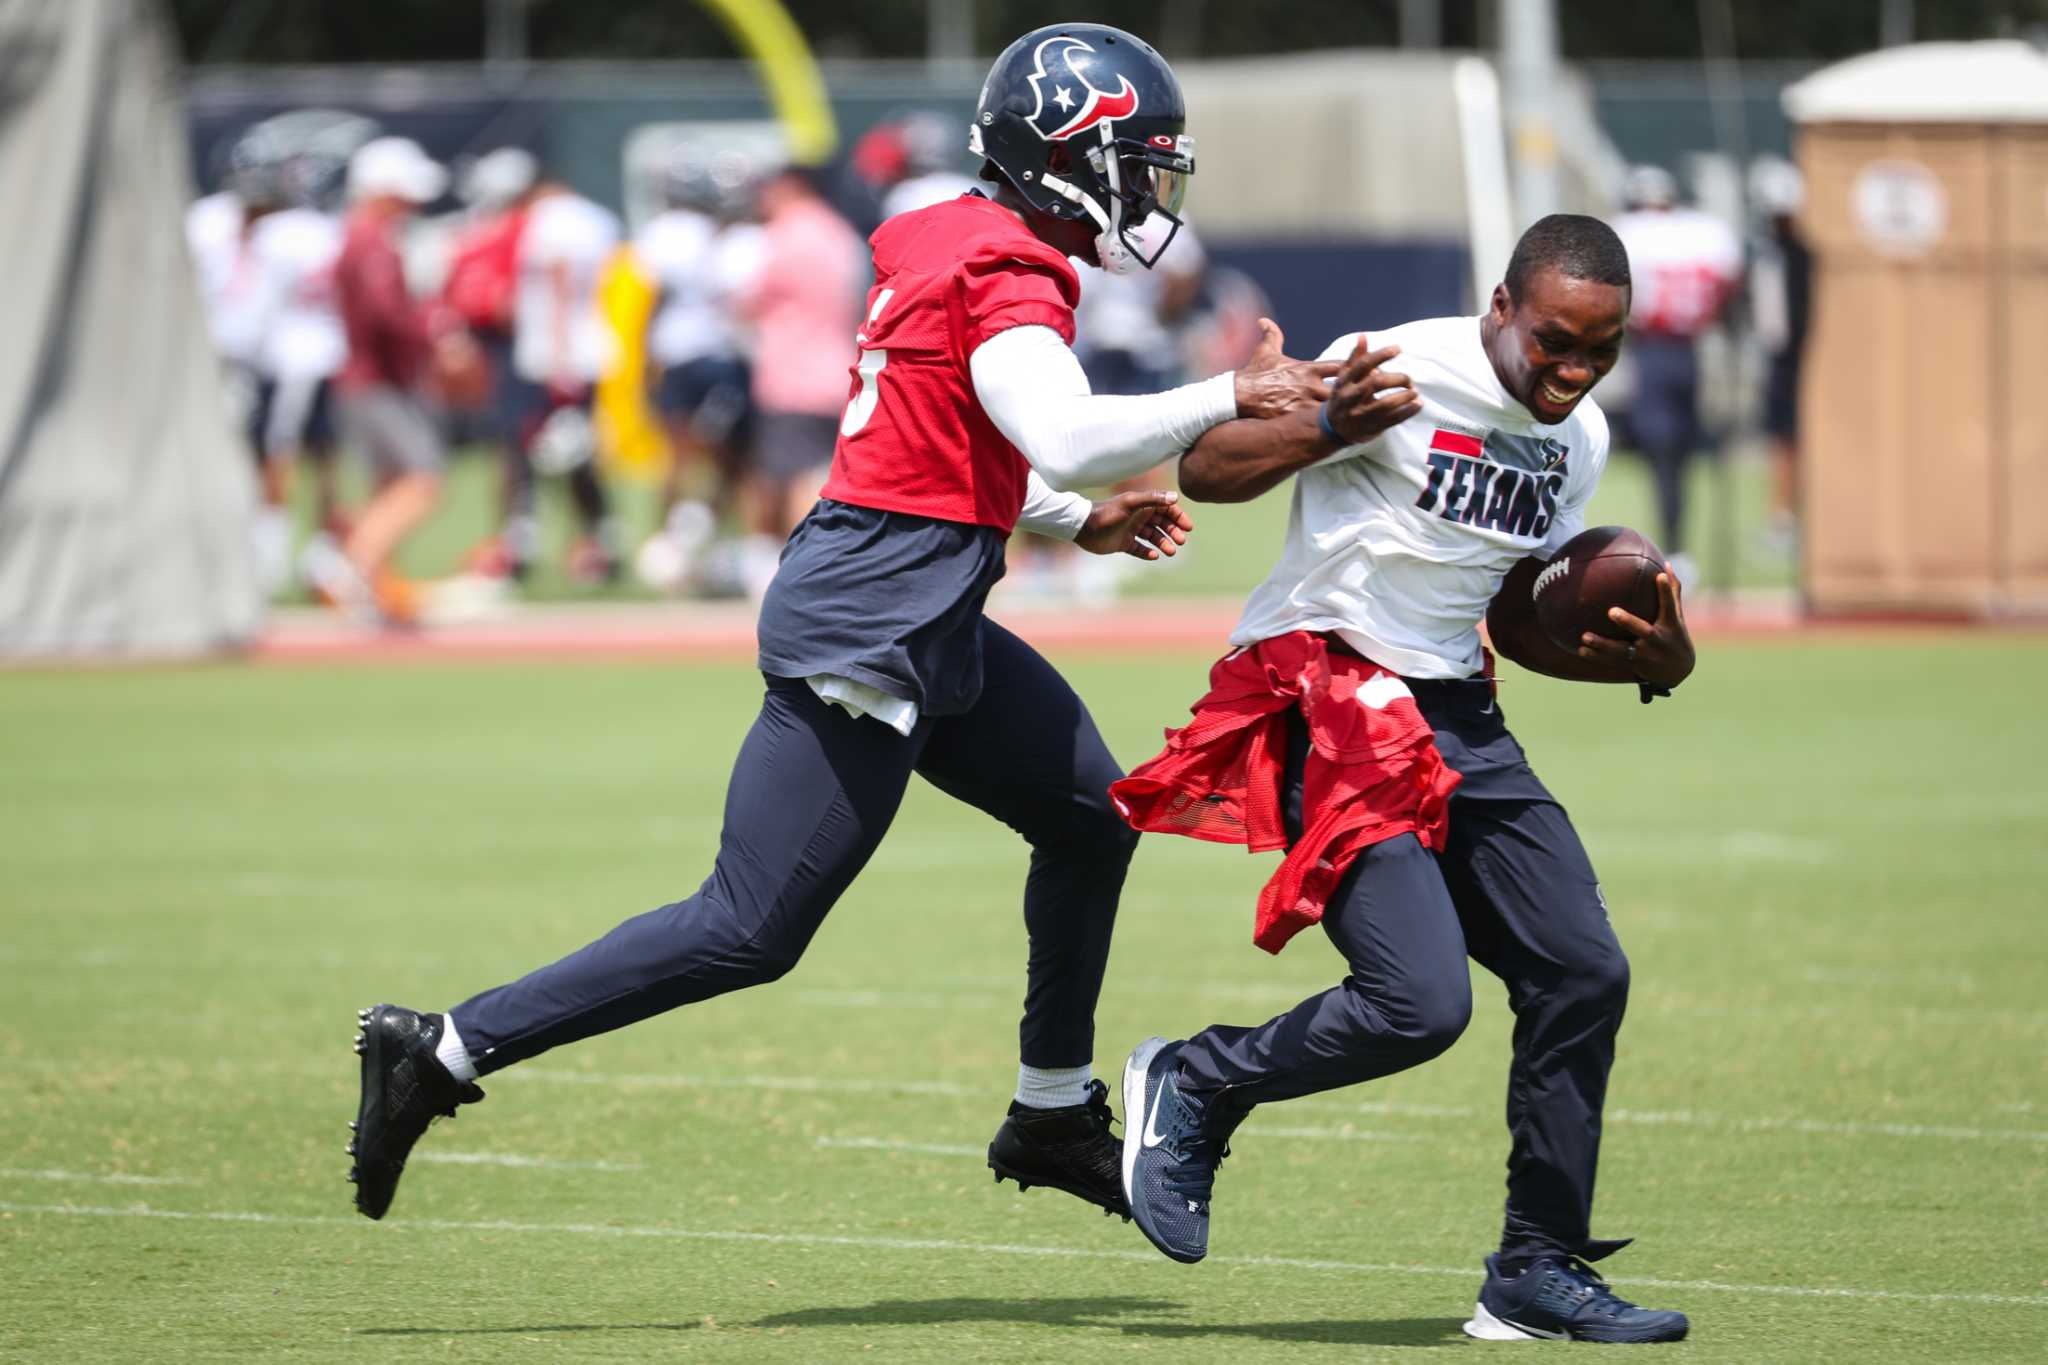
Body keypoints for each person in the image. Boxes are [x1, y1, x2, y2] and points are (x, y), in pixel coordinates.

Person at [346, 21, 1354, 1229]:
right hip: (873, 625)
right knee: (747, 927)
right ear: (1064, 155)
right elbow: (1066, 429)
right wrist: (1226, 394)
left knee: (1092, 816)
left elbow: (931, 442)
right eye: (1132, 162)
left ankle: (1048, 1112)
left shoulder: (951, 237)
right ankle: (444, 1049)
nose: (1146, 190)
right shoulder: (1002, 266)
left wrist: (1065, 521)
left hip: (919, 605)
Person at [1110, 215, 1698, 1344]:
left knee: (1582, 969)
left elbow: (1516, 615)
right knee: (1419, 1006)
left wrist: (1646, 663)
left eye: (1601, 350)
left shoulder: (1576, 440)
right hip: (1326, 687)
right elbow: (1207, 469)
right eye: (1554, 343)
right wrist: (1324, 419)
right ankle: (1198, 1080)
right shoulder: (1399, 365)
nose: (1573, 372)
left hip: (1453, 711)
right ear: (1499, 310)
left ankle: (1535, 1268)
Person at [314, 137, 450, 625]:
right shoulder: (370, 238)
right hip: (375, 380)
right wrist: (434, 333)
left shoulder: (363, 235)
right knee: (422, 480)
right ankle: (350, 567)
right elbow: (384, 312)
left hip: (367, 379)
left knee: (387, 482)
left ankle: (369, 580)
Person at [729, 164, 866, 595]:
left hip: (792, 374)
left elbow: (749, 300)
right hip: (839, 369)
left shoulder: (786, 236)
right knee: (825, 473)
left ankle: (806, 571)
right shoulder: (841, 235)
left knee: (791, 477)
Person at [631, 150, 759, 591]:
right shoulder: (718, 236)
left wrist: (645, 355)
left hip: (674, 353)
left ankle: (672, 539)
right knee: (728, 459)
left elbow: (649, 300)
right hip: (719, 354)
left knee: (677, 456)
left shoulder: (658, 234)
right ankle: (699, 535)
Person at [1610, 165, 1741, 585]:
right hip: (1691, 351)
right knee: (1678, 456)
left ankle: (1670, 547)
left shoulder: (1630, 234)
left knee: (1662, 454)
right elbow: (1729, 288)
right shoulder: (1702, 234)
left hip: (1654, 351)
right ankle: (1677, 547)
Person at [502, 172, 627, 584]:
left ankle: (527, 543)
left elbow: (560, 279)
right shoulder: (599, 219)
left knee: (533, 456)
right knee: (578, 457)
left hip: (553, 358)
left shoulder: (549, 219)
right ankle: (600, 541)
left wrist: (560, 358)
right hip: (590, 349)